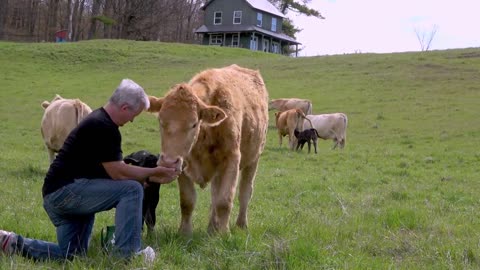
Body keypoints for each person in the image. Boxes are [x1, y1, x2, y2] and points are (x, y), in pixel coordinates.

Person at [0, 79, 180, 263]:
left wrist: (147, 176)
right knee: (132, 189)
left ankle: (11, 242)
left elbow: (111, 172)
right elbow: (119, 173)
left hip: (59, 196)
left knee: (72, 256)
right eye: (134, 114)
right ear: (125, 107)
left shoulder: (96, 121)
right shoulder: (104, 127)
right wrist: (154, 172)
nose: (133, 120)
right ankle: (128, 256)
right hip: (66, 194)